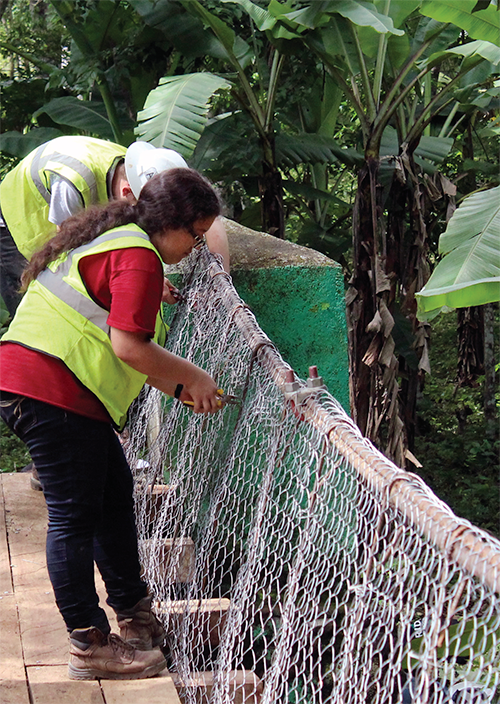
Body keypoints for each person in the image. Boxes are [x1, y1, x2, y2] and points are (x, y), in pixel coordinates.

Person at [0, 167, 223, 680]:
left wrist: (180, 388)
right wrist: (192, 377)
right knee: (75, 516)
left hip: (49, 385)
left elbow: (111, 323)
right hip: (49, 391)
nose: (195, 247)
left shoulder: (121, 239)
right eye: (196, 235)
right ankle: (91, 645)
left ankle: (135, 614)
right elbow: (128, 346)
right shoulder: (139, 256)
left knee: (113, 497)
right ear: (174, 223)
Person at [0, 135, 229, 316]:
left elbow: (210, 221)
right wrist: (141, 281)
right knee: (39, 305)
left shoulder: (139, 168)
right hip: (14, 226)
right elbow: (69, 254)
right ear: (128, 193)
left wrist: (221, 288)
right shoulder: (74, 181)